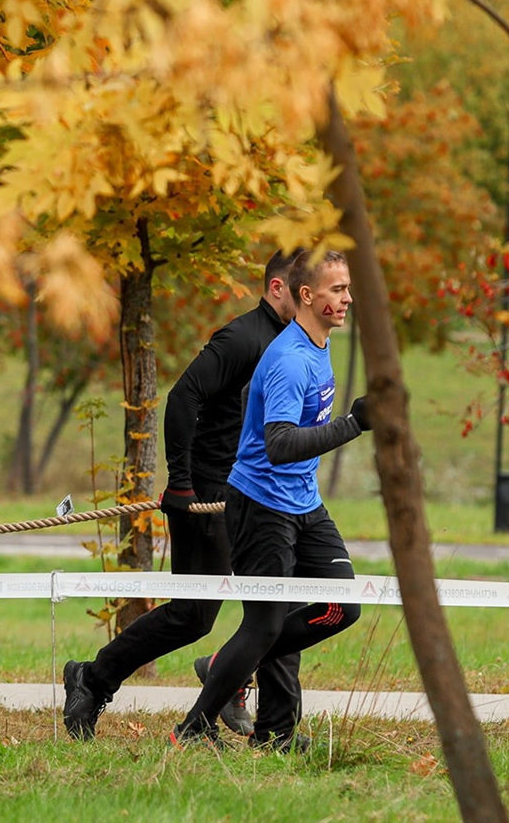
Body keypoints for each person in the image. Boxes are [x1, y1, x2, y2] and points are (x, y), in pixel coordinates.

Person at [62, 249, 305, 744]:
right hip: (210, 492)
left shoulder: (293, 344)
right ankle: (92, 678)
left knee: (280, 601)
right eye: (305, 289)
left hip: (260, 491)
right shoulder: (243, 337)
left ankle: (271, 725)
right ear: (278, 288)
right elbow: (183, 396)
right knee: (194, 614)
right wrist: (181, 480)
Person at [170, 249, 368, 749]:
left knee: (342, 604)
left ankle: (225, 666)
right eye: (337, 290)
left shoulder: (315, 344)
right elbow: (279, 444)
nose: (348, 298)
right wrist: (353, 423)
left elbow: (255, 412)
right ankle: (193, 729)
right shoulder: (289, 359)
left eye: (347, 288)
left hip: (303, 502)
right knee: (262, 627)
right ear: (307, 295)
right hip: (262, 506)